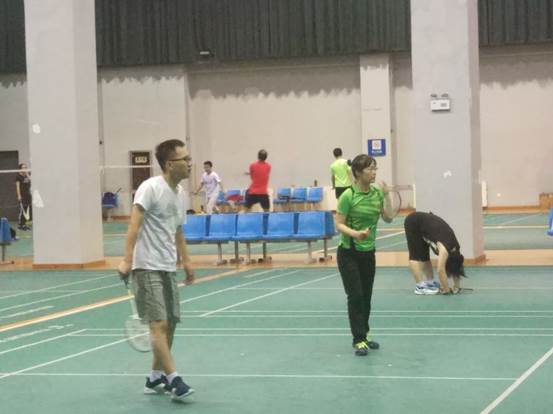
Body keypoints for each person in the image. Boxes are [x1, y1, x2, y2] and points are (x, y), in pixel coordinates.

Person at [118, 139, 195, 402]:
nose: (190, 163)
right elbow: (134, 225)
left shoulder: (180, 193)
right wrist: (127, 260)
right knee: (159, 324)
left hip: (167, 266)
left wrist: (187, 261)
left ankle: (154, 378)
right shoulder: (150, 188)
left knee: (170, 324)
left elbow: (178, 229)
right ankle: (175, 380)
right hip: (146, 266)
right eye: (185, 159)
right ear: (170, 164)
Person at [335, 154, 393, 356]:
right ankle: (358, 338)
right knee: (356, 295)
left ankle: (364, 335)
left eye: (375, 168)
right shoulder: (348, 196)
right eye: (370, 169)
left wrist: (387, 196)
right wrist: (355, 234)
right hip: (348, 252)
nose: (374, 172)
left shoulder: (377, 193)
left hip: (368, 252)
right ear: (358, 173)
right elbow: (339, 224)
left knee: (366, 296)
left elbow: (389, 218)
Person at [404, 211, 465, 295]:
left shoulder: (456, 250)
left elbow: (456, 268)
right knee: (415, 256)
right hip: (413, 222)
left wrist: (456, 287)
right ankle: (420, 287)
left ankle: (430, 283)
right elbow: (440, 270)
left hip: (425, 225)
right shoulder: (445, 250)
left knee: (425, 256)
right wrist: (446, 289)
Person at [15, 163, 32, 231]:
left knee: (27, 210)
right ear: (20, 169)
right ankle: (20, 225)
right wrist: (19, 195)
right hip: (22, 196)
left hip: (28, 196)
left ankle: (24, 224)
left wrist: (27, 174)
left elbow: (31, 180)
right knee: (23, 210)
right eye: (23, 167)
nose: (25, 168)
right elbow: (17, 187)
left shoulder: (27, 175)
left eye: (25, 167)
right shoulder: (18, 177)